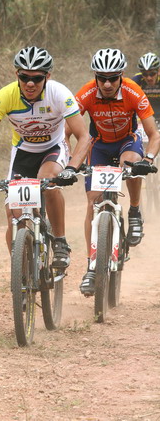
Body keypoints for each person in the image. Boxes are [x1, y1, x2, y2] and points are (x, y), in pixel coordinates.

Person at [0, 45, 91, 269]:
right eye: (24, 77)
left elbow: (83, 136)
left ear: (47, 76)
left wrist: (72, 168)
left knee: (48, 181)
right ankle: (22, 272)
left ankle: (60, 242)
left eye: (36, 78)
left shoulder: (59, 94)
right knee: (13, 216)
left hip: (53, 149)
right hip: (23, 152)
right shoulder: (5, 96)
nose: (29, 83)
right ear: (16, 74)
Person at [65, 48, 160, 296]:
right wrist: (68, 161)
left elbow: (153, 134)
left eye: (113, 78)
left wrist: (148, 159)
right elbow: (66, 132)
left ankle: (135, 212)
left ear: (121, 76)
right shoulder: (85, 93)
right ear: (95, 76)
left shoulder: (133, 91)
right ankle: (91, 266)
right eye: (102, 78)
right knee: (92, 200)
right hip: (99, 145)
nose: (107, 83)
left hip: (127, 140)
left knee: (132, 164)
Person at [132, 52, 160, 121]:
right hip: (144, 116)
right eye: (145, 74)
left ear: (158, 71)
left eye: (152, 74)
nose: (149, 78)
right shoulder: (136, 80)